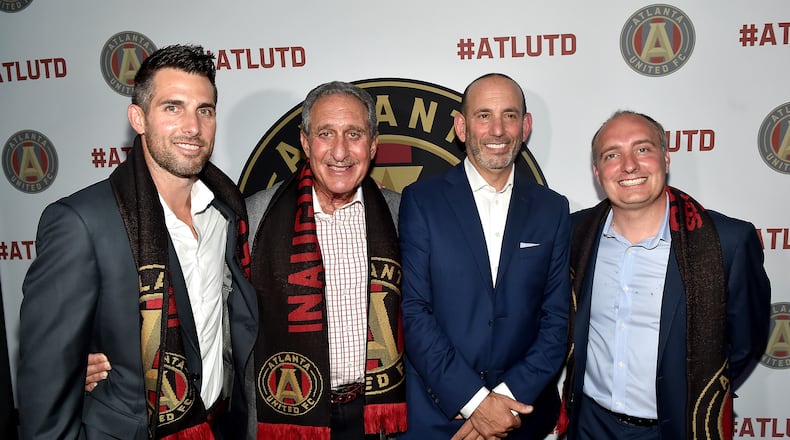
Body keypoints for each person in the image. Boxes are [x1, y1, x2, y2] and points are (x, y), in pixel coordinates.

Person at [17, 44, 258, 439]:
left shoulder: (227, 213)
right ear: (138, 118)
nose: (193, 127)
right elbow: (47, 381)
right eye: (172, 107)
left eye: (205, 110)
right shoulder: (81, 222)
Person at [560, 111, 771, 439]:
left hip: (679, 428)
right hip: (589, 425)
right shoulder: (574, 234)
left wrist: (699, 389)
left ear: (666, 159)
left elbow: (747, 341)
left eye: (643, 149)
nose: (629, 165)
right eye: (612, 155)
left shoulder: (726, 241)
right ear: (597, 172)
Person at [398, 73, 571, 440]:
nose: (497, 129)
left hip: (522, 417)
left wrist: (503, 404)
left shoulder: (552, 209)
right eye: (483, 116)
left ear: (525, 127)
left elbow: (556, 322)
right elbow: (414, 312)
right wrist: (475, 403)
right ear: (461, 126)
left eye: (509, 115)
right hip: (438, 418)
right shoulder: (421, 201)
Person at [243, 81, 407, 439]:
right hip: (287, 416)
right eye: (325, 133)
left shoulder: (400, 215)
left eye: (354, 134)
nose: (340, 151)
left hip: (376, 417)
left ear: (374, 143)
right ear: (305, 142)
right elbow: (224, 327)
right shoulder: (255, 217)